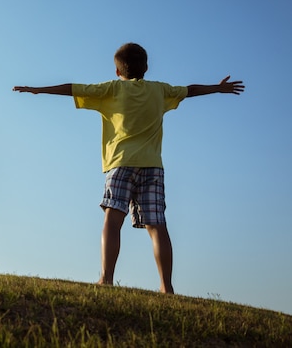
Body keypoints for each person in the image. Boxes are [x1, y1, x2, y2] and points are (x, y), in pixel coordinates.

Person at [13, 42, 244, 293]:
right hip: (153, 166)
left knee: (112, 220)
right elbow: (190, 90)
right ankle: (166, 287)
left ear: (117, 71)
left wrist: (37, 89)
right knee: (157, 226)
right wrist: (218, 88)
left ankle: (106, 278)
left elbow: (72, 88)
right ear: (146, 67)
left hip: (121, 164)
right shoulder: (160, 90)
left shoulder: (112, 89)